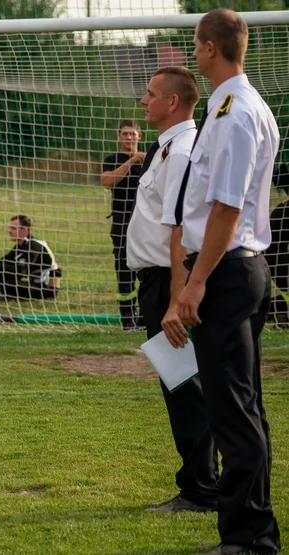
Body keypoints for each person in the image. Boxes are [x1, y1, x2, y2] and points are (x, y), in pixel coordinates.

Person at [175, 9, 281, 554]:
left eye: (195, 45)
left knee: (233, 410)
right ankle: (251, 531)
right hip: (233, 266)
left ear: (211, 48)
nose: (193, 53)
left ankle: (250, 538)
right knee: (242, 406)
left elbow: (226, 209)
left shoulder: (237, 110)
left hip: (228, 268)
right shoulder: (229, 104)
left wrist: (195, 283)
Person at [125, 66, 218, 514]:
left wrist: (177, 299)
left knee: (186, 387)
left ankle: (201, 489)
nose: (144, 101)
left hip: (169, 282)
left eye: (150, 93)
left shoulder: (181, 151)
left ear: (173, 102)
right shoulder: (165, 149)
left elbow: (180, 227)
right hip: (158, 281)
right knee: (180, 385)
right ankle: (200, 483)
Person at [100, 119, 144, 330]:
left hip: (146, 225)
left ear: (139, 136)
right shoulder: (112, 159)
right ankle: (128, 320)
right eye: (125, 134)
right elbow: (107, 181)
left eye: (133, 134)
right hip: (122, 224)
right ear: (119, 137)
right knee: (124, 271)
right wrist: (131, 161)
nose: (129, 138)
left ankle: (147, 317)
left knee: (148, 271)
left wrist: (140, 159)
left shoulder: (149, 159)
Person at [0, 214, 61, 301]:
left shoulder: (35, 246)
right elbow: (2, 264)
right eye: (10, 228)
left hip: (47, 289)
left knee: (5, 283)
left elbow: (21, 271)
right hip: (35, 284)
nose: (9, 231)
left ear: (25, 230)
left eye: (13, 228)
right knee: (0, 276)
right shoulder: (19, 247)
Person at [265, 162, 289, 321]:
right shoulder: (283, 211)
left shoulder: (282, 209)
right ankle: (278, 308)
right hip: (276, 262)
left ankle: (278, 308)